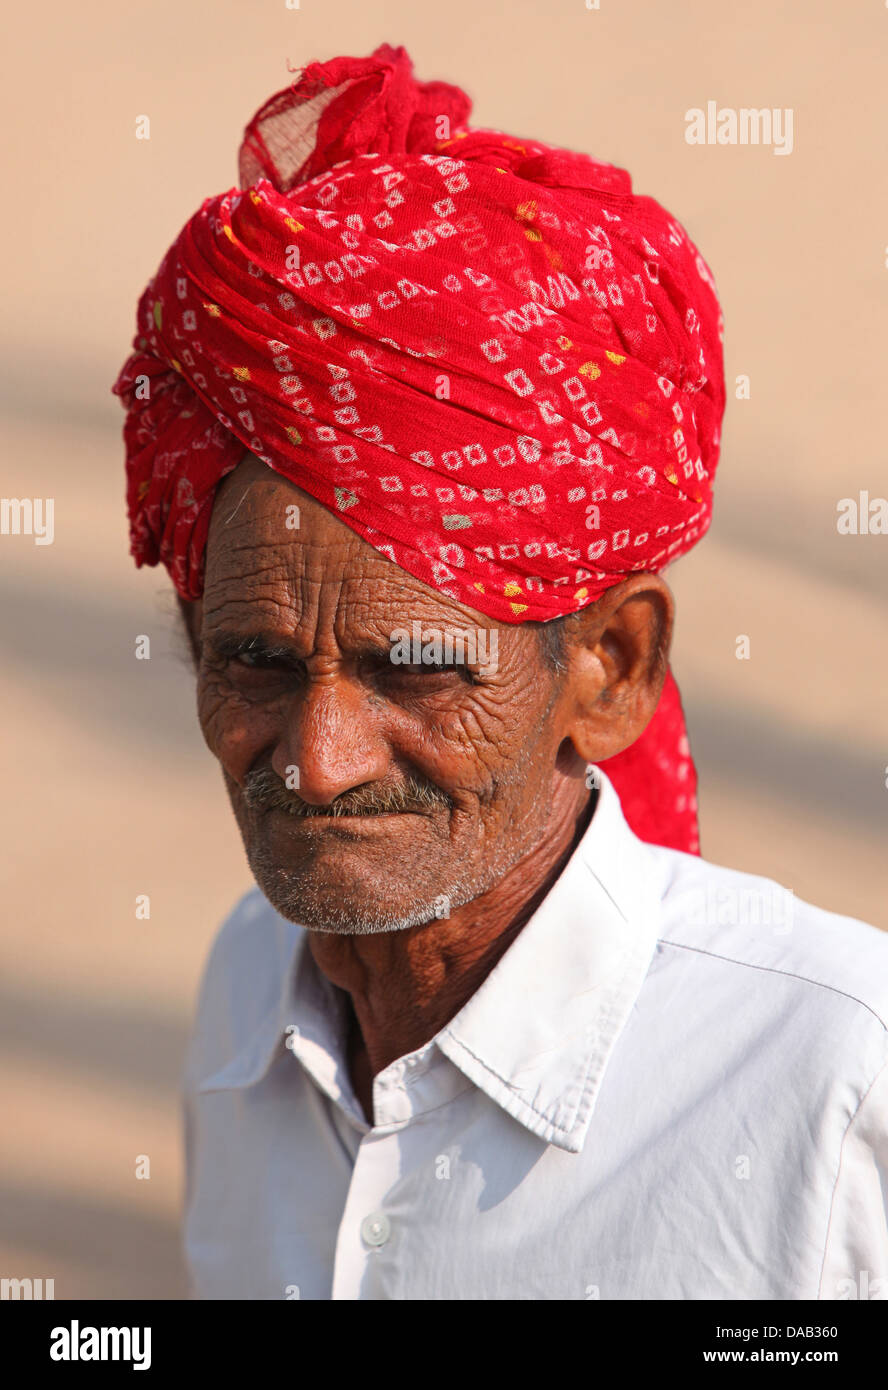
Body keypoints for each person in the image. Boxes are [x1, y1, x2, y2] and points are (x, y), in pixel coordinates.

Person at [113, 43, 888, 1300]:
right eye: (253, 662)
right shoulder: (247, 998)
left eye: (412, 671)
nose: (318, 759)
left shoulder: (837, 1084)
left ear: (612, 667)